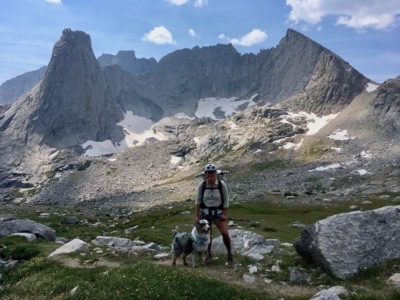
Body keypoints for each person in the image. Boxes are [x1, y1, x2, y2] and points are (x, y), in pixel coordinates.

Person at [195, 163, 233, 262]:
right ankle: (208, 254)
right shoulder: (202, 185)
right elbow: (198, 201)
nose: (211, 174)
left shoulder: (221, 185)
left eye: (212, 172)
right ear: (206, 174)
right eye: (209, 173)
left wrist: (224, 213)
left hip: (218, 213)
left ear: (215, 173)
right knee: (208, 234)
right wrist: (197, 215)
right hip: (205, 213)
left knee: (224, 233)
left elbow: (226, 200)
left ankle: (230, 253)